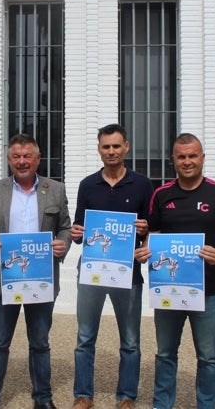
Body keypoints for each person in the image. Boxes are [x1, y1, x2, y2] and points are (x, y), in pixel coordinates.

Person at [141, 133, 215, 409]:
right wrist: (146, 250)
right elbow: (154, 235)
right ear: (173, 160)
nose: (187, 161)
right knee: (165, 354)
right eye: (181, 156)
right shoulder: (161, 195)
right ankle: (163, 404)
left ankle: (206, 405)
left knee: (208, 356)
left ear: (202, 158)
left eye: (192, 156)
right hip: (169, 288)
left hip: (208, 289)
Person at [0, 133, 72, 409]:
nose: (22, 162)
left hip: (41, 278)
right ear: (9, 160)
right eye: (16, 156)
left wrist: (62, 244)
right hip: (6, 276)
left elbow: (65, 227)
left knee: (40, 343)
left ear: (38, 159)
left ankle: (43, 398)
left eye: (27, 156)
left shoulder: (55, 189)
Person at [70, 123, 153, 409]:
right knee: (84, 337)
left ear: (126, 147)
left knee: (130, 339)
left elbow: (149, 232)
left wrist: (145, 228)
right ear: (99, 150)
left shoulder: (142, 184)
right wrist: (76, 233)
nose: (111, 151)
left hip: (127, 272)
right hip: (92, 271)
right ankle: (83, 394)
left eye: (116, 146)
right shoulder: (87, 184)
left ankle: (126, 396)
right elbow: (80, 230)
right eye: (106, 147)